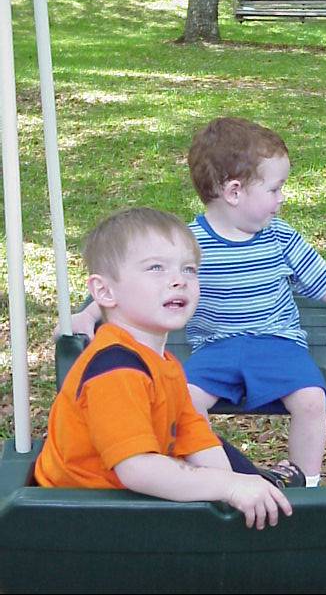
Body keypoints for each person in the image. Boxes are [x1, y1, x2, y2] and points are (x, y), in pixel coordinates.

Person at [66, 118, 326, 488]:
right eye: (274, 189)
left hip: (278, 343)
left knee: (310, 400)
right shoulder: (190, 243)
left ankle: (306, 483)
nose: (281, 199)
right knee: (184, 402)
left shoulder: (280, 237)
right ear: (235, 192)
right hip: (216, 347)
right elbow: (135, 285)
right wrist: (90, 313)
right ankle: (211, 480)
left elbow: (323, 280)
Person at [36, 207, 294, 530]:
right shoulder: (115, 370)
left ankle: (268, 488)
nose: (178, 281)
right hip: (80, 517)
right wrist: (229, 486)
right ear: (105, 291)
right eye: (156, 268)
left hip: (124, 503)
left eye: (189, 269)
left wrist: (237, 485)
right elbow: (137, 469)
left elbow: (194, 436)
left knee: (234, 469)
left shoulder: (162, 363)